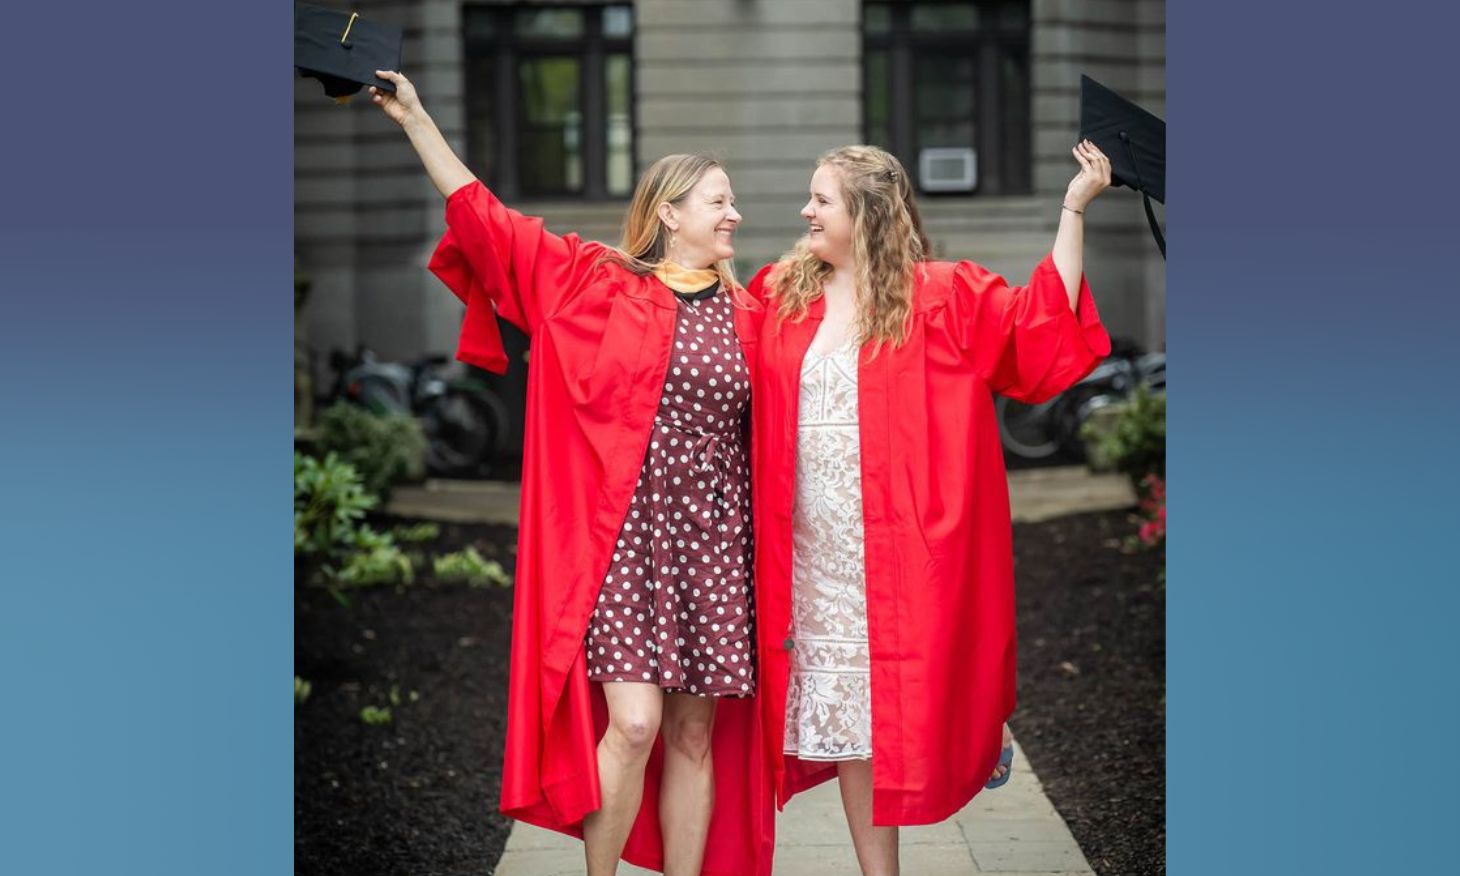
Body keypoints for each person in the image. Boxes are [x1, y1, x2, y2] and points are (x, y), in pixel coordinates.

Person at [367, 70, 774, 876]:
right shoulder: (596, 283)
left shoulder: (754, 313)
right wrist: (415, 118)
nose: (735, 215)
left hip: (718, 546)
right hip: (625, 543)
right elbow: (489, 223)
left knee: (696, 735)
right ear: (670, 214)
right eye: (719, 202)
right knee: (633, 725)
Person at [746, 142, 1113, 876]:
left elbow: (1038, 326)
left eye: (821, 200)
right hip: (812, 557)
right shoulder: (780, 294)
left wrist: (1073, 209)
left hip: (900, 550)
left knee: (909, 700)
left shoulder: (942, 296)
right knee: (854, 728)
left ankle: (973, 735)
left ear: (867, 214)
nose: (804, 211)